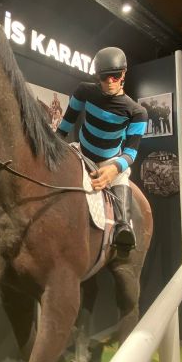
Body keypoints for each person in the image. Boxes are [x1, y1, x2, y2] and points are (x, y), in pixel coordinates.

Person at [57, 47, 148, 255]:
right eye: (104, 77)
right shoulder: (84, 91)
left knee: (122, 178)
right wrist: (54, 142)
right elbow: (66, 122)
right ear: (97, 76)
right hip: (81, 152)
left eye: (115, 76)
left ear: (123, 74)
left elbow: (131, 152)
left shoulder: (137, 112)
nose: (109, 82)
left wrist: (115, 169)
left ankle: (123, 226)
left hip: (110, 160)